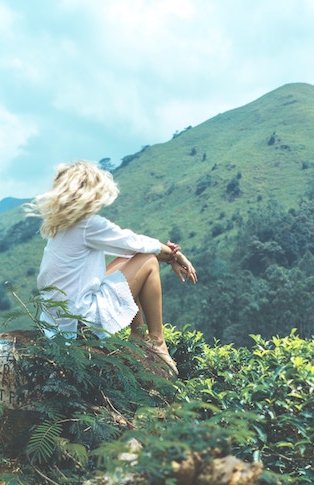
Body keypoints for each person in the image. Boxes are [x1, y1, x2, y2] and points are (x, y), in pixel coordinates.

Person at [28, 160, 197, 375]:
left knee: (126, 259)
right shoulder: (87, 224)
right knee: (147, 260)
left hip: (58, 326)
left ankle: (138, 334)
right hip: (81, 324)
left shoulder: (58, 227)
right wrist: (174, 255)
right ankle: (157, 342)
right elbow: (137, 244)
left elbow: (127, 250)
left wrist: (168, 256)